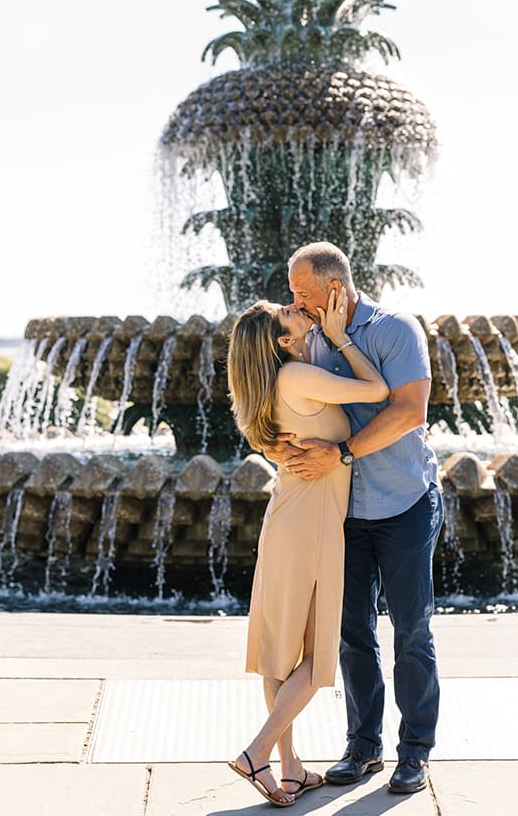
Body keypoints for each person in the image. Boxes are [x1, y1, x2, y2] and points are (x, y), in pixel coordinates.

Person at [271, 241, 442, 795]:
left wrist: (342, 455)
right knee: (351, 632)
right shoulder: (305, 340)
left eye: (301, 292)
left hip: (403, 503)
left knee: (412, 630)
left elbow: (409, 411)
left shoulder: (396, 329)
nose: (293, 301)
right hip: (340, 511)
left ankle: (414, 751)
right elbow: (279, 403)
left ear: (335, 288)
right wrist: (278, 447)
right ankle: (363, 746)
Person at [225, 291, 388, 807]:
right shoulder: (296, 377)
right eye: (288, 313)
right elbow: (378, 388)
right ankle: (258, 752)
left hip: (288, 521)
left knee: (282, 650)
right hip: (314, 525)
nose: (297, 310)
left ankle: (291, 769)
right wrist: (340, 337)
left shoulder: (267, 388)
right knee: (317, 657)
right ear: (282, 339)